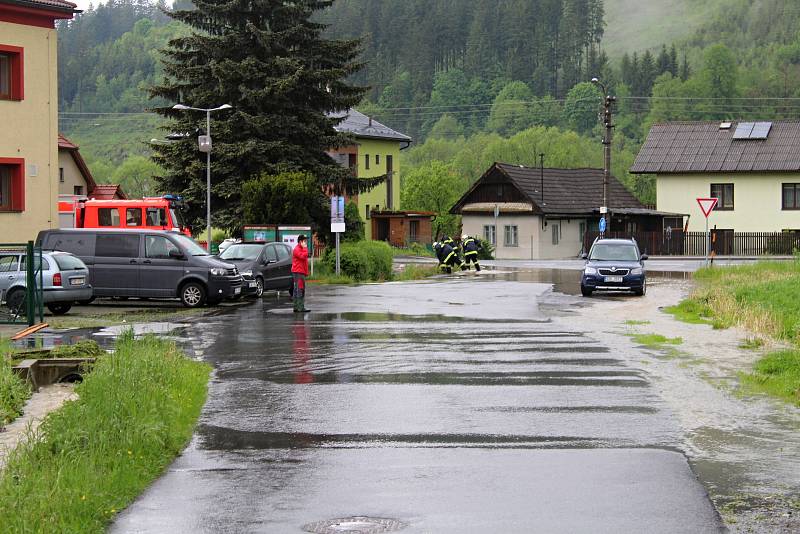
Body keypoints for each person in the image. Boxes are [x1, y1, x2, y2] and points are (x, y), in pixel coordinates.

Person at [291, 234, 310, 313]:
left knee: (298, 289)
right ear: (300, 241)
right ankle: (300, 307)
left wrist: (306, 272)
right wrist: (305, 248)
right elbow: (303, 257)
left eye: (306, 241)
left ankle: (296, 307)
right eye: (304, 241)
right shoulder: (297, 249)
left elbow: (304, 261)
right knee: (300, 290)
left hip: (301, 272)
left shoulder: (301, 248)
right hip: (298, 272)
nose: (306, 242)